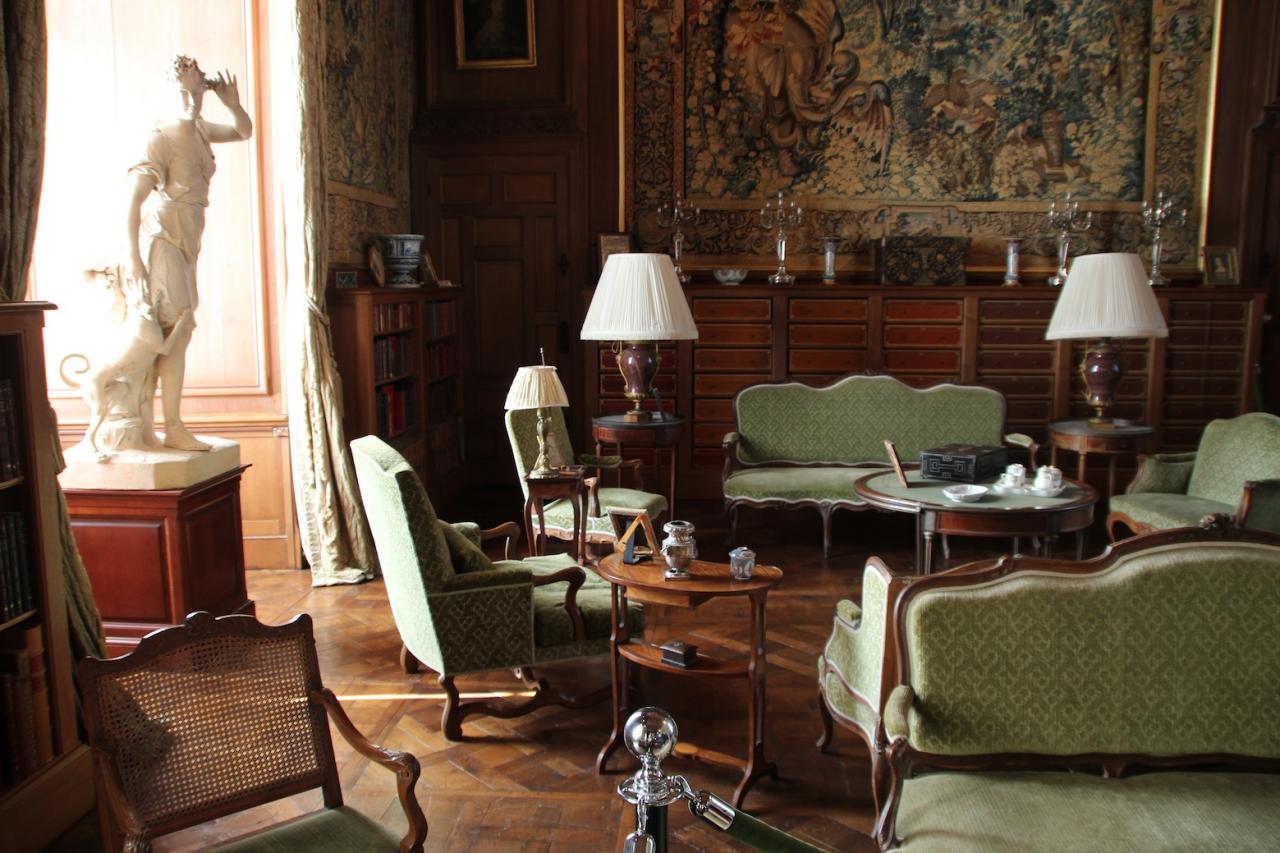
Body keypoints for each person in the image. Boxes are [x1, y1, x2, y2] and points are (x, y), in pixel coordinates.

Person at [124, 54, 252, 451]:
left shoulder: (199, 129)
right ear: (169, 92)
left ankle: (162, 423)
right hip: (164, 234)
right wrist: (133, 257)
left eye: (196, 92)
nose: (191, 100)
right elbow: (132, 203)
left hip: (190, 232)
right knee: (175, 328)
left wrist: (231, 102)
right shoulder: (160, 136)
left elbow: (243, 131)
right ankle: (170, 425)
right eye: (183, 92)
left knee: (180, 327)